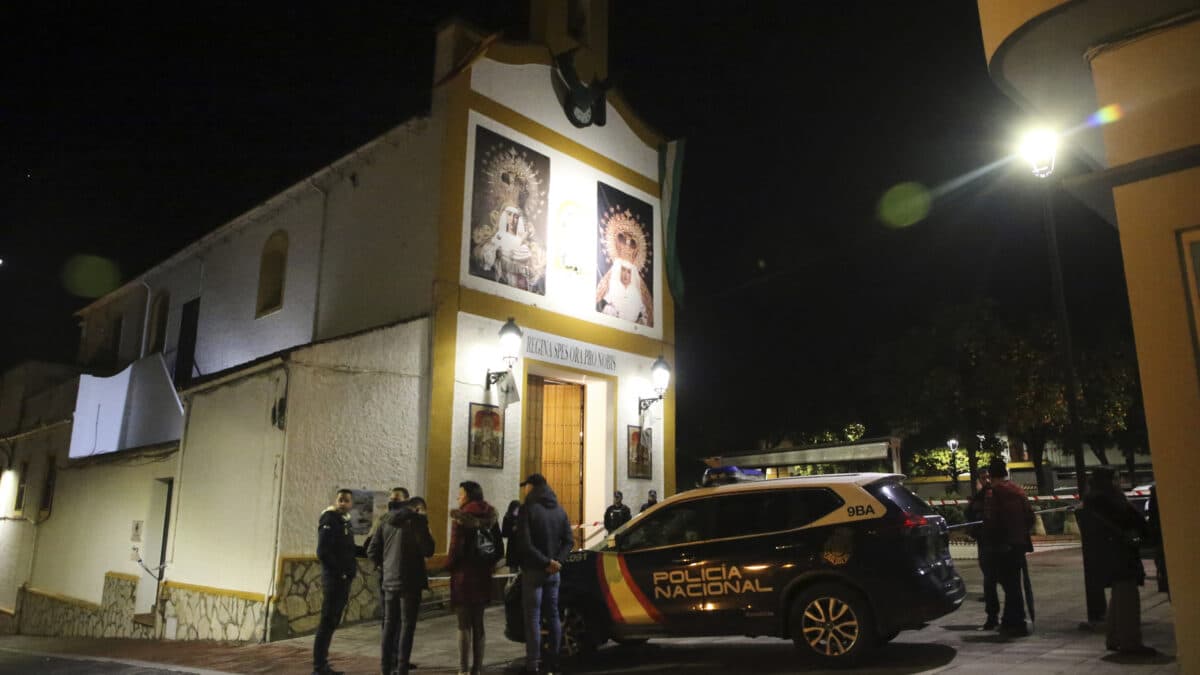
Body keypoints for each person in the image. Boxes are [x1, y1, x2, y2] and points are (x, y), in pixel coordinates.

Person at [1082, 467, 1156, 656]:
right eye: (1116, 478)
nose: (1119, 482)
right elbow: (1132, 521)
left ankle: (1114, 637)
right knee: (1128, 598)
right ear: (1109, 481)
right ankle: (1130, 642)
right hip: (1121, 554)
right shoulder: (1111, 501)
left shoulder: (1093, 501)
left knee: (1119, 596)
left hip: (1109, 555)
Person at [368, 496, 435, 675]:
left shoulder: (386, 520)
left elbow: (372, 551)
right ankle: (402, 668)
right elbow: (428, 550)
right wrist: (425, 525)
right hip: (411, 583)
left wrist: (386, 568)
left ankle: (385, 668)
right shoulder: (417, 521)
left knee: (389, 626)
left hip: (389, 581)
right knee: (407, 626)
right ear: (418, 508)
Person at [516, 473, 574, 675]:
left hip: (534, 570)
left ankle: (533, 664)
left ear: (531, 487)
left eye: (526, 486)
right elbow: (569, 540)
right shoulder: (559, 509)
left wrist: (545, 561)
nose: (524, 490)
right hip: (554, 573)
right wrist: (557, 561)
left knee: (533, 617)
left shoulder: (528, 509)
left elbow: (524, 543)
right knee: (553, 615)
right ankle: (554, 661)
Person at [447, 481, 503, 675]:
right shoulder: (491, 516)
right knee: (479, 623)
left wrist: (449, 566)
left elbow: (455, 549)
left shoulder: (461, 518)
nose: (458, 497)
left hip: (464, 575)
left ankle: (463, 669)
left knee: (463, 624)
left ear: (468, 496)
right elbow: (499, 548)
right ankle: (477, 669)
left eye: (460, 494)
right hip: (483, 575)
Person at [982, 458, 1034, 637]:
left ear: (991, 475)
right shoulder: (1018, 490)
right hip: (1018, 544)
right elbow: (1030, 516)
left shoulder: (993, 493)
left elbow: (990, 520)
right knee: (1014, 584)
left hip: (1001, 545)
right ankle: (1013, 620)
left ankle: (1014, 621)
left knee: (1006, 584)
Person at [313, 489, 363, 675]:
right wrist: (340, 573)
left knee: (332, 621)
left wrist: (368, 551)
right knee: (327, 621)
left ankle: (322, 664)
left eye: (346, 500)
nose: (343, 503)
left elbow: (347, 548)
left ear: (351, 504)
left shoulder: (345, 521)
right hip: (335, 579)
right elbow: (323, 552)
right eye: (340, 499)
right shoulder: (329, 519)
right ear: (335, 501)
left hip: (343, 577)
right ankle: (319, 667)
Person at [964, 468, 999, 630]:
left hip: (996, 542)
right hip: (985, 542)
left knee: (997, 581)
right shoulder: (979, 497)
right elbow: (970, 514)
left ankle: (1004, 618)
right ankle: (993, 618)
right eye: (983, 477)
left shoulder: (997, 494)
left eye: (988, 477)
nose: (986, 480)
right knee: (989, 581)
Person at [501, 499, 522, 572]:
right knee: (513, 569)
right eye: (516, 509)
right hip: (512, 547)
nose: (517, 511)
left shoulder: (522, 517)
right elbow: (504, 533)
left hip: (521, 546)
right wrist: (512, 529)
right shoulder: (507, 518)